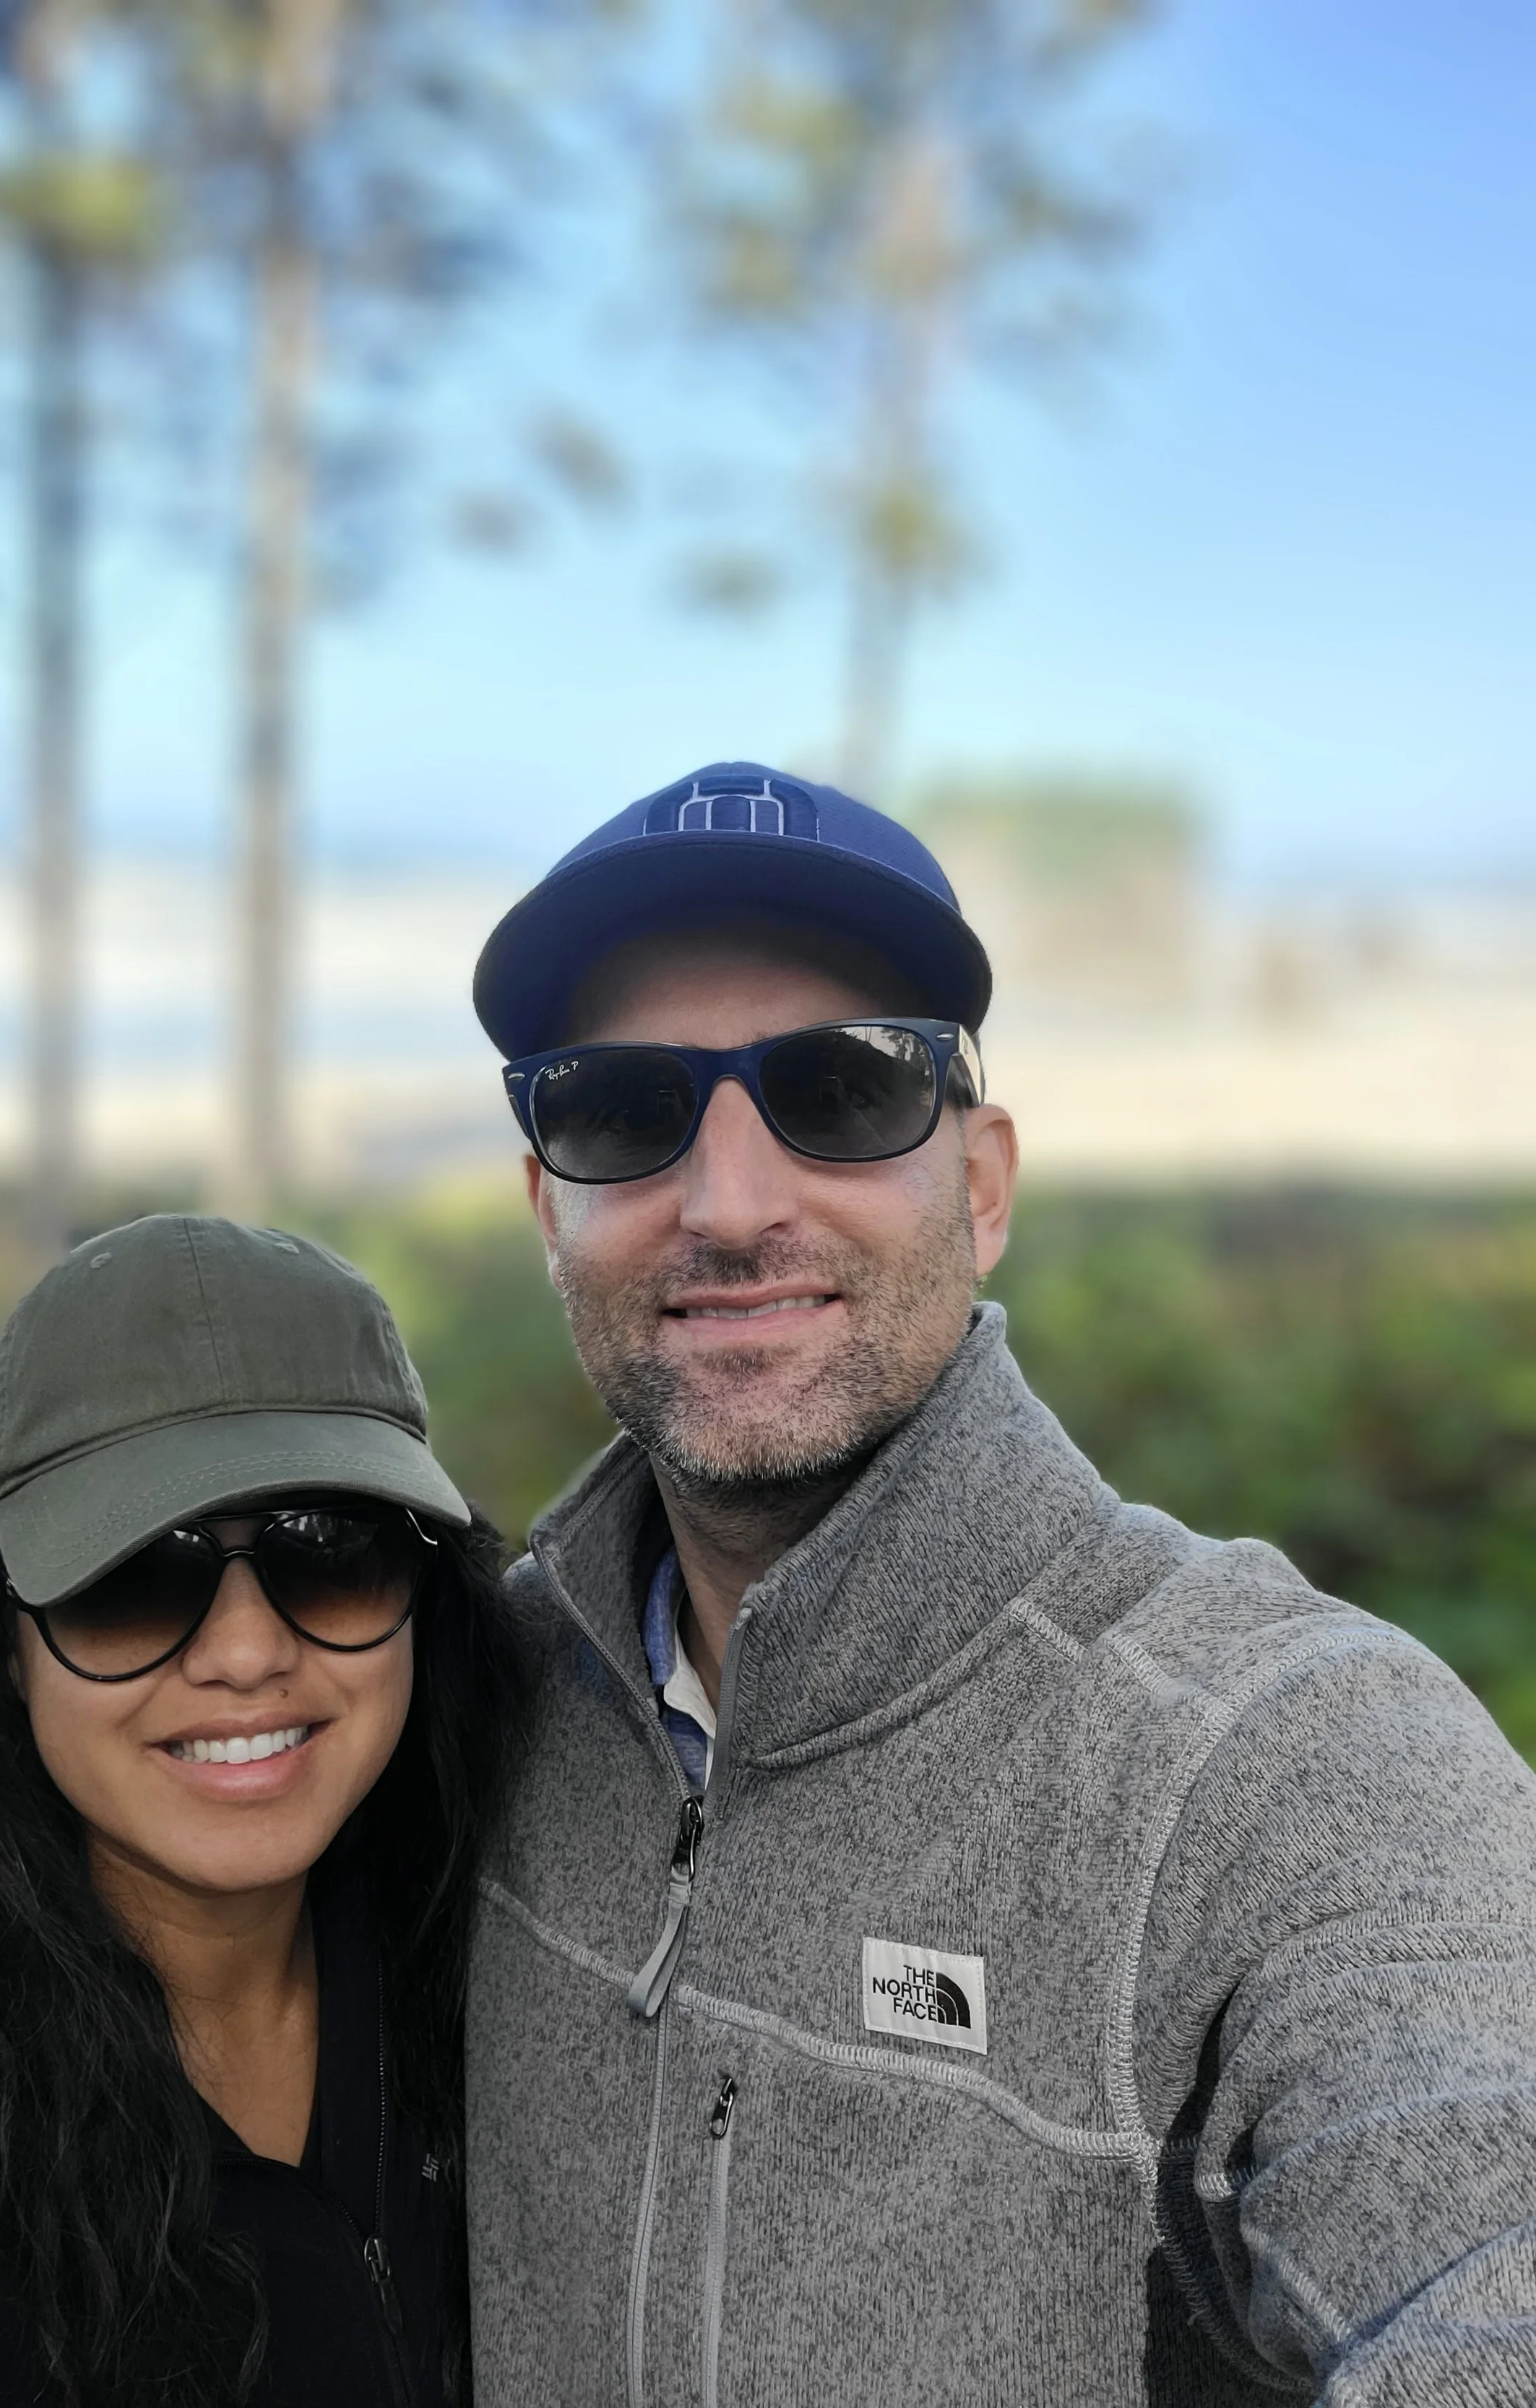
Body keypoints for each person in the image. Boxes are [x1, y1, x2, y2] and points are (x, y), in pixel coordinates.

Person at [461, 760, 1536, 2406]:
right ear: (551, 1203)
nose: (731, 1202)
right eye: (620, 1105)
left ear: (980, 1182)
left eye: (840, 1090)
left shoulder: (1266, 1767)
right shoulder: (471, 1696)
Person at [0, 1213, 519, 2408]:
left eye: (328, 1548)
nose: (248, 1651)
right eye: (138, 1577)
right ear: (2, 1644)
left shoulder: (513, 1955)